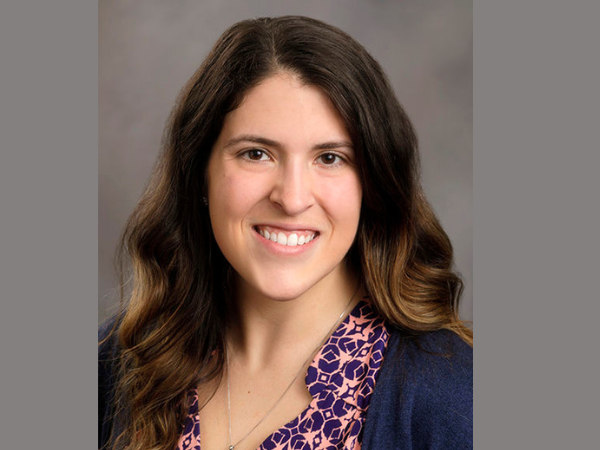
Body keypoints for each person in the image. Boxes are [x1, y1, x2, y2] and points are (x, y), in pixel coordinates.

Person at [99, 15, 473, 450]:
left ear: (373, 183)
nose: (292, 199)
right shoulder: (120, 365)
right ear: (199, 172)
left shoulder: (450, 398)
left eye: (330, 158)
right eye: (256, 154)